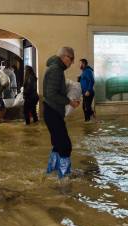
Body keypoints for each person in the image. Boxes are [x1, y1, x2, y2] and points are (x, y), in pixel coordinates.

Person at [43, 47, 80, 178]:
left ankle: (52, 172)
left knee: (58, 144)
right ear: (64, 57)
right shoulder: (56, 70)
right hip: (52, 111)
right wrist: (69, 102)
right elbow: (51, 94)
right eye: (71, 59)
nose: (72, 62)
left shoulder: (55, 68)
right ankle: (64, 178)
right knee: (65, 146)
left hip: (52, 111)